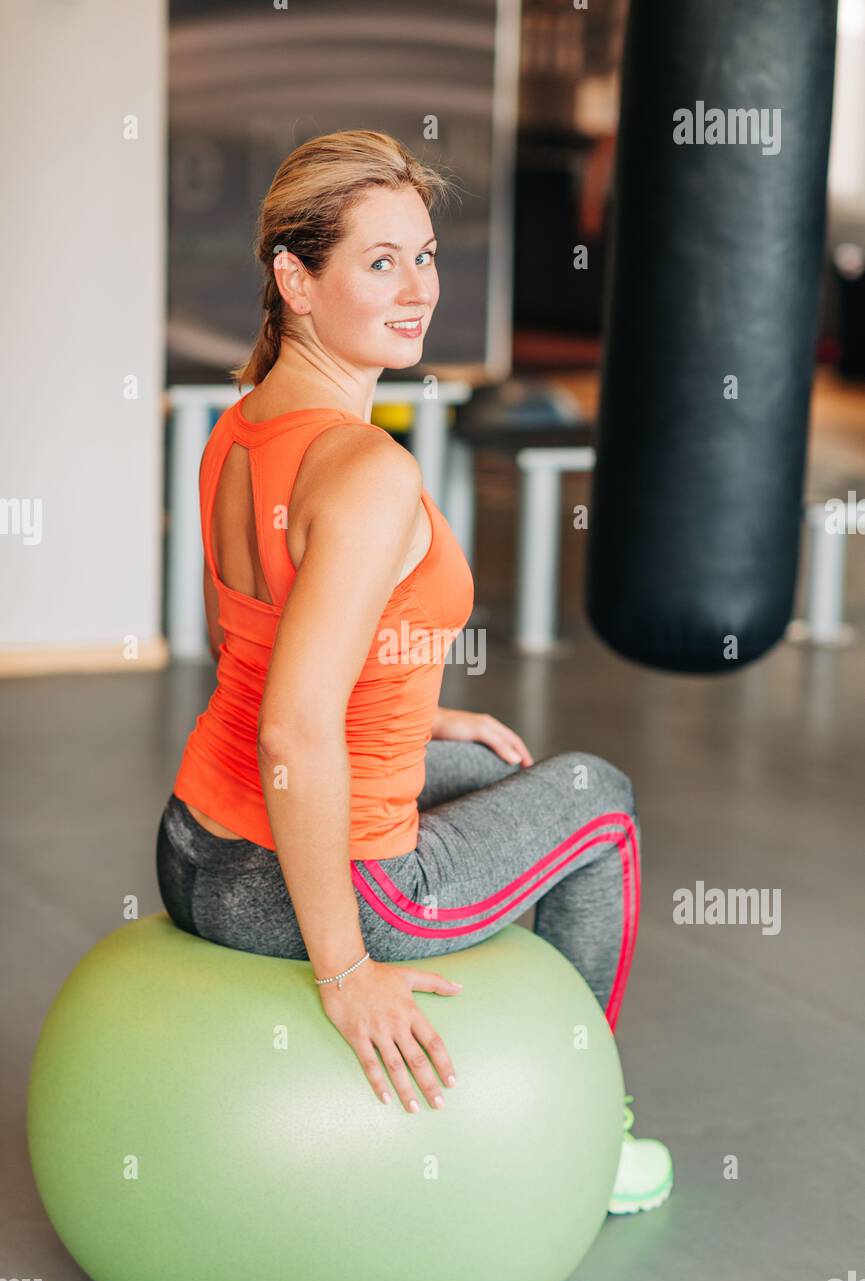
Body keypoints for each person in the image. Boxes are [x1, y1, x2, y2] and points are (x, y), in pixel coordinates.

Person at [156, 129, 673, 1217]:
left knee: (493, 764)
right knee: (603, 801)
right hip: (323, 885)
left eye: (426, 256)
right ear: (296, 280)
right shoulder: (366, 471)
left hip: (192, 845)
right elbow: (294, 729)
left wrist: (423, 713)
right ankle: (592, 1133)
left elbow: (250, 650)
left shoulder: (242, 426)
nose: (418, 289)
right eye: (379, 262)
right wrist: (345, 972)